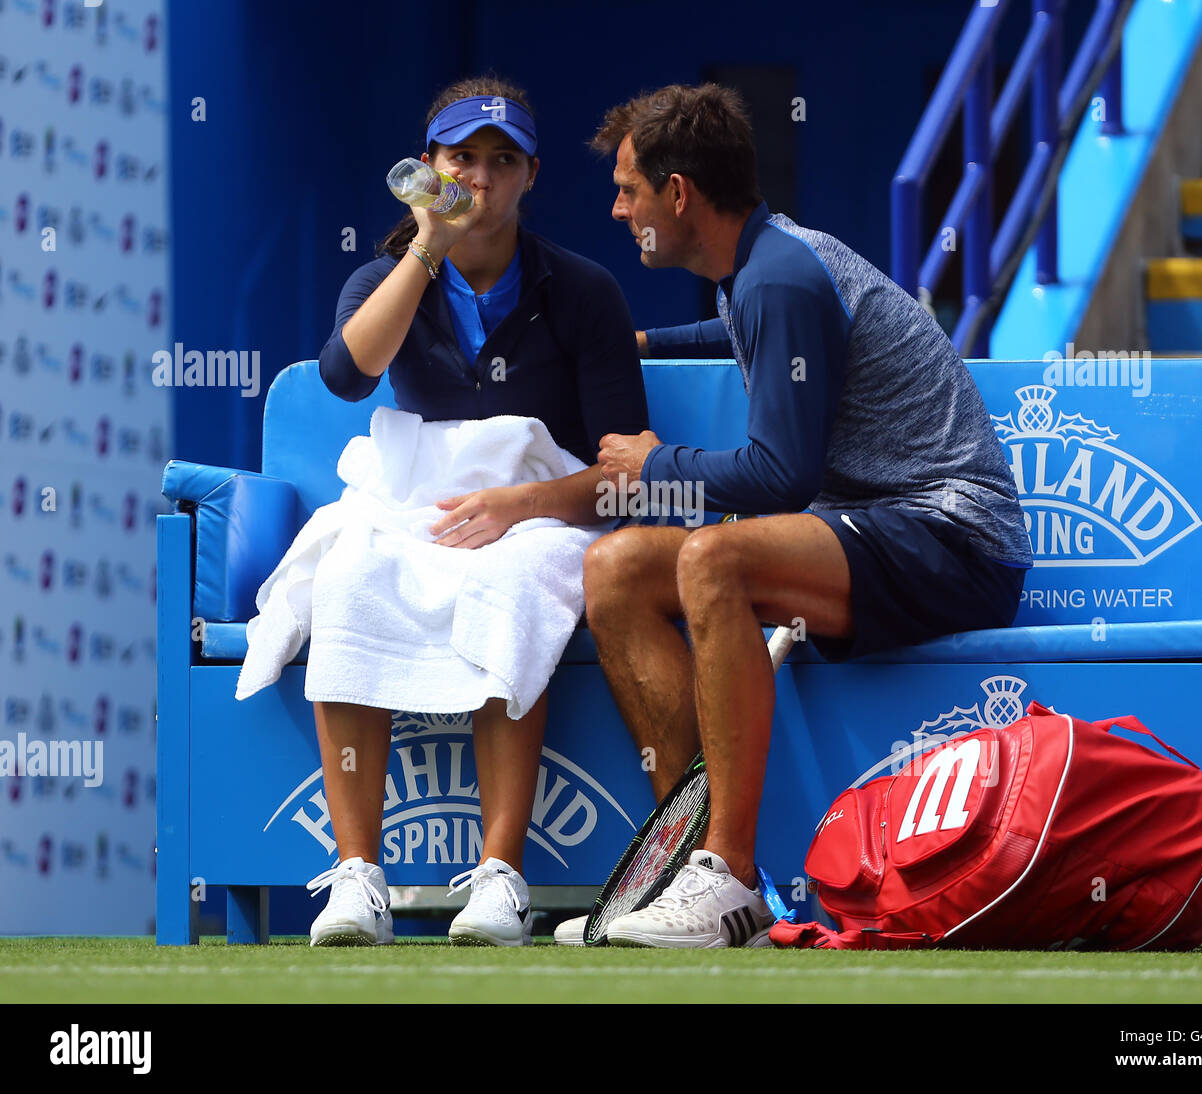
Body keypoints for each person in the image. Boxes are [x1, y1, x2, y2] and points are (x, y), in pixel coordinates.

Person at [564, 83, 1031, 948]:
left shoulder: (777, 280)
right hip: (879, 533)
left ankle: (730, 878)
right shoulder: (759, 270)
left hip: (955, 540)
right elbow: (741, 333)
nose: (617, 207)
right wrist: (645, 345)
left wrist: (653, 462)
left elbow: (781, 476)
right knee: (616, 568)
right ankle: (676, 867)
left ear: (679, 194)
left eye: (630, 188)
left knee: (712, 561)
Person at [307, 76, 647, 947]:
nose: (482, 182)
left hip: (543, 515)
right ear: (431, 169)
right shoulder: (389, 276)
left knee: (509, 576)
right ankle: (358, 878)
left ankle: (501, 882)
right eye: (463, 160)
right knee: (345, 572)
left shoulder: (584, 291)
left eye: (503, 162)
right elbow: (346, 376)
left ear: (531, 176)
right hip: (414, 508)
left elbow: (625, 471)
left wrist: (521, 501)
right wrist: (427, 245)